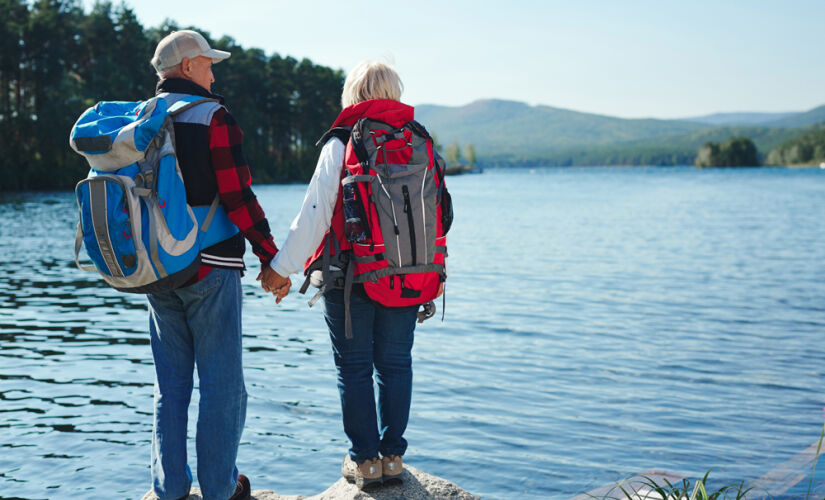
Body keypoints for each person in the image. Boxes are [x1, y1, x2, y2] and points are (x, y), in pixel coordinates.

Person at [269, 61, 438, 490]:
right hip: (408, 274)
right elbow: (442, 214)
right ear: (393, 92)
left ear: (353, 95)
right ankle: (394, 457)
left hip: (349, 277)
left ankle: (365, 462)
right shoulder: (419, 141)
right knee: (397, 365)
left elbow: (314, 213)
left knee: (355, 368)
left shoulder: (343, 141)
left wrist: (279, 269)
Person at [146, 30, 290, 500]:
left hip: (157, 269)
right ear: (187, 68)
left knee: (170, 387)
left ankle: (169, 490)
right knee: (222, 385)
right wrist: (271, 255)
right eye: (208, 64)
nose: (213, 72)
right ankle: (220, 488)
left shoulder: (143, 119)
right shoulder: (213, 117)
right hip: (209, 268)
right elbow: (236, 195)